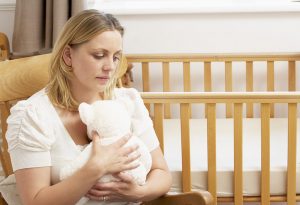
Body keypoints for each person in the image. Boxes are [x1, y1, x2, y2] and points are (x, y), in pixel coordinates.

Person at [6, 9, 172, 205]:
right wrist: (94, 168)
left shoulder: (126, 102)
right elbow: (35, 201)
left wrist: (138, 193)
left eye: (116, 57)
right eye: (99, 55)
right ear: (68, 55)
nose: (110, 66)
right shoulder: (33, 116)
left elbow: (161, 173)